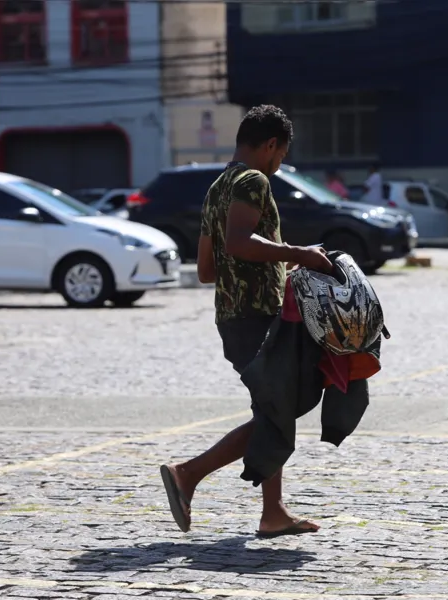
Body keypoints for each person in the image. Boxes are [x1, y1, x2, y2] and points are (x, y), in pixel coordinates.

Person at [159, 105, 333, 538]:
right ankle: (188, 474)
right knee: (279, 413)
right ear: (271, 145)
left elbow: (207, 268)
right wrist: (297, 254)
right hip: (256, 319)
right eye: (281, 155)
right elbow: (239, 242)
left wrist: (272, 267)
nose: (280, 165)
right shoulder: (253, 181)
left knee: (273, 409)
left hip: (233, 318)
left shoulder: (217, 187)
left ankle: (273, 513)